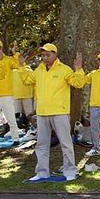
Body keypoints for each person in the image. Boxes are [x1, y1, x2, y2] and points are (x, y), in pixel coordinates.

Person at [19, 44, 86, 181]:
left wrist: (78, 69)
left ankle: (70, 171)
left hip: (59, 112)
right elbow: (27, 80)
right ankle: (42, 172)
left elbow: (78, 83)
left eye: (47, 55)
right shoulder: (39, 70)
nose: (44, 57)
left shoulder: (64, 69)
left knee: (65, 143)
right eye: (43, 55)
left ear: (55, 54)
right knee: (41, 144)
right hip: (42, 113)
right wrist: (22, 66)